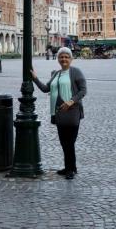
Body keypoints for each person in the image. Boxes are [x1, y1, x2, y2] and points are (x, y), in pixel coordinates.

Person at [31, 47, 87, 180]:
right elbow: (46, 89)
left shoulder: (76, 72)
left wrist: (71, 101)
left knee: (69, 142)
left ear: (71, 59)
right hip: (58, 112)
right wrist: (35, 78)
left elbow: (83, 91)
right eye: (61, 57)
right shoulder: (56, 74)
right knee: (64, 142)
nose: (64, 59)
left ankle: (70, 169)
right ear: (58, 59)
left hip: (72, 111)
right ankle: (71, 167)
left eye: (66, 57)